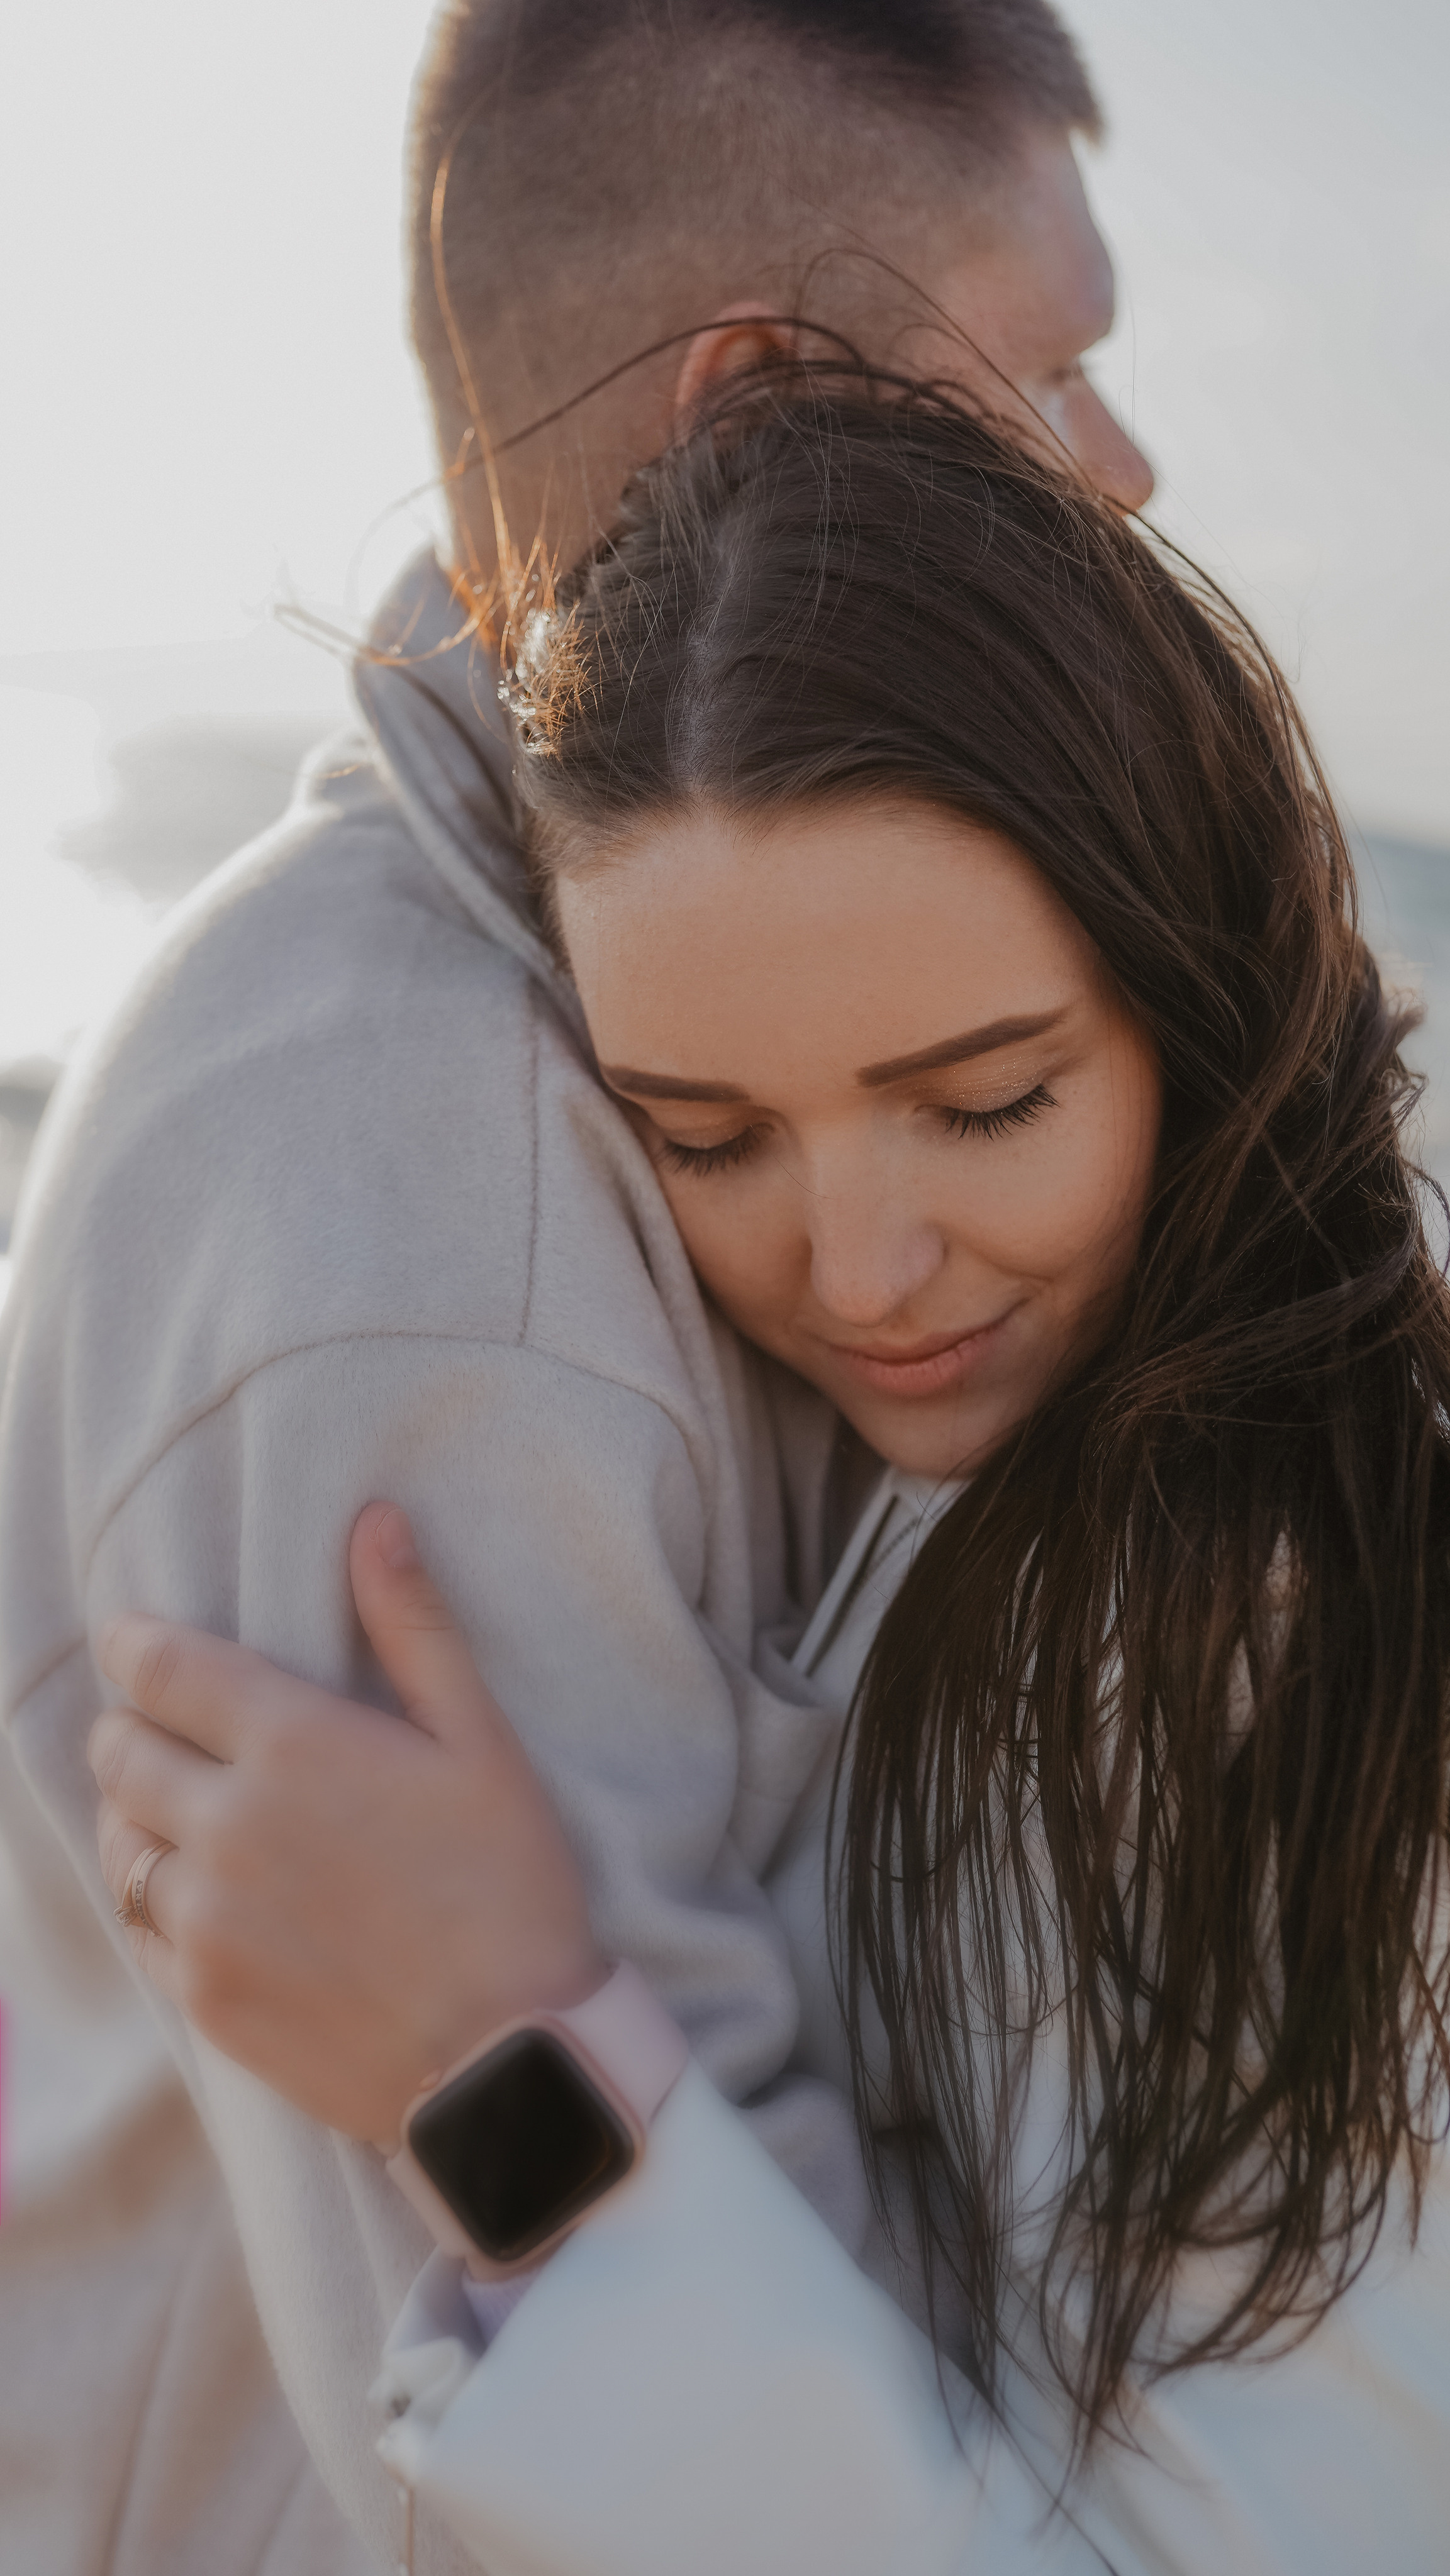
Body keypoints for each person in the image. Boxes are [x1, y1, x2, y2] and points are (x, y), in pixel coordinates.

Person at [91, 377, 1450, 2573]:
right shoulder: (1045, 1478)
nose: (859, 1271)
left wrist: (495, 2062)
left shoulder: (1287, 1637)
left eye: (985, 1103)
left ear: (1197, 987)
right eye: (705, 1139)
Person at [0, 5, 1151, 2569]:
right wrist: (495, 2044)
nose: (1128, 467)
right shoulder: (422, 1204)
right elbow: (586, 2448)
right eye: (1058, 364)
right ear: (758, 408)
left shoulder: (616, 987)